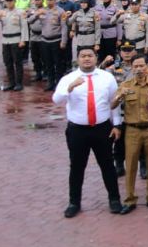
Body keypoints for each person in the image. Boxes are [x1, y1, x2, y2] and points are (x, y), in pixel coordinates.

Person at [51, 46, 130, 218]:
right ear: (78, 59)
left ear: (96, 58)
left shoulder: (106, 77)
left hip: (102, 129)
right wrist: (70, 88)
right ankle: (74, 202)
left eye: (90, 56)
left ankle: (114, 200)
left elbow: (113, 102)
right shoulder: (69, 78)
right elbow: (56, 100)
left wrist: (117, 125)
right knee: (77, 167)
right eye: (83, 56)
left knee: (107, 165)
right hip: (77, 130)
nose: (87, 59)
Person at [112, 54, 148, 212]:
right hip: (132, 130)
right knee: (131, 165)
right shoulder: (126, 85)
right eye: (135, 66)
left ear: (147, 67)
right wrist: (121, 95)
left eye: (141, 66)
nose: (138, 69)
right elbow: (112, 104)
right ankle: (129, 199)